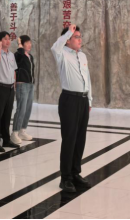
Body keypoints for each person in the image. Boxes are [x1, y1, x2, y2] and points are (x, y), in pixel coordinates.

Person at [52, 24, 92, 193]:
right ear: (68, 40)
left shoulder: (82, 56)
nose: (79, 39)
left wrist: (89, 99)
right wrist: (69, 31)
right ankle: (65, 177)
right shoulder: (61, 53)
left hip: (83, 100)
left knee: (80, 139)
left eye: (80, 36)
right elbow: (55, 47)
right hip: (69, 100)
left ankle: (75, 173)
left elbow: (87, 78)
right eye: (76, 37)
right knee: (69, 139)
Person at [0, 31, 18, 152]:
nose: (8, 41)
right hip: (0, 88)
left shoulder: (11, 55)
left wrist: (14, 85)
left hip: (10, 88)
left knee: (7, 115)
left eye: (8, 39)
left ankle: (6, 139)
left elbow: (14, 70)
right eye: (5, 39)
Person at [11, 35, 35, 144]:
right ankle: (14, 133)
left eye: (30, 43)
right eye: (27, 43)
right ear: (22, 44)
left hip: (30, 84)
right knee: (21, 108)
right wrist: (19, 44)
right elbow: (19, 57)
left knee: (28, 109)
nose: (29, 45)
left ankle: (22, 130)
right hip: (22, 84)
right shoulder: (18, 55)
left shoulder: (30, 56)